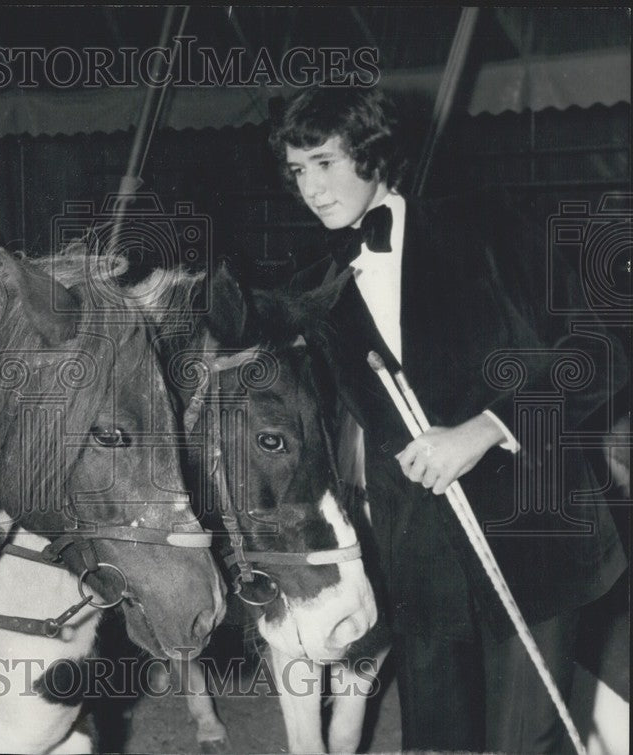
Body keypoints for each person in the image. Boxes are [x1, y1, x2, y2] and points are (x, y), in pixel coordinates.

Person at [269, 86, 628, 752]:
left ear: (372, 154)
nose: (311, 188)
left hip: (535, 537)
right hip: (421, 562)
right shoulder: (321, 285)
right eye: (297, 171)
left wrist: (487, 428)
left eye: (323, 162)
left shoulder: (489, 225)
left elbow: (604, 346)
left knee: (521, 743)